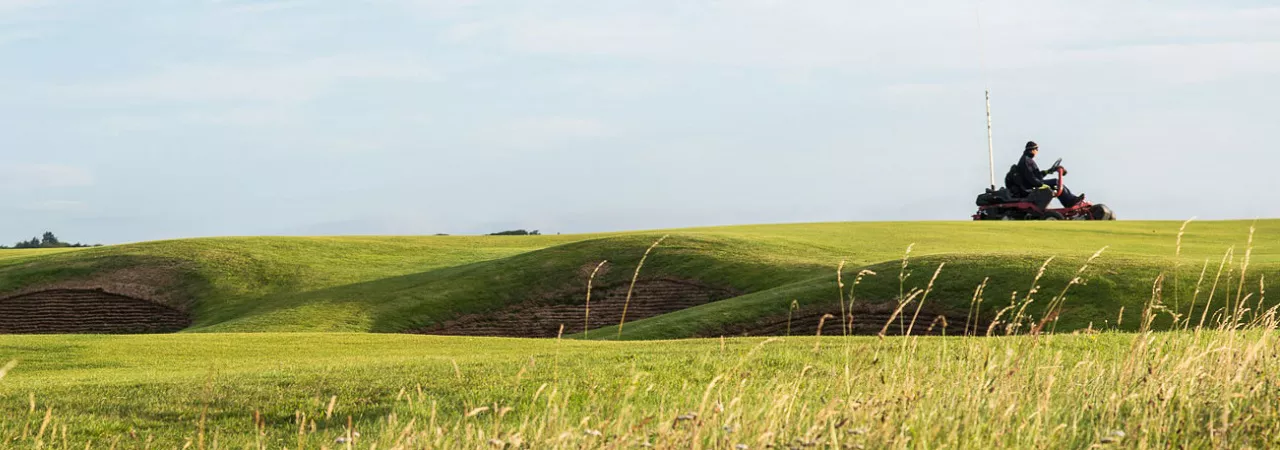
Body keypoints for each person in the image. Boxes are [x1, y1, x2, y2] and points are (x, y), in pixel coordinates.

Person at [1015, 141, 1084, 207]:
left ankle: (1071, 200)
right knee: (1056, 182)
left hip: (1034, 183)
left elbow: (1037, 175)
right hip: (1031, 186)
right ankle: (1070, 201)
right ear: (1032, 150)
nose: (1037, 151)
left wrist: (1048, 171)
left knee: (1056, 182)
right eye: (1036, 149)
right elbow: (1030, 178)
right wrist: (1042, 185)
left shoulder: (1028, 159)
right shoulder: (1026, 161)